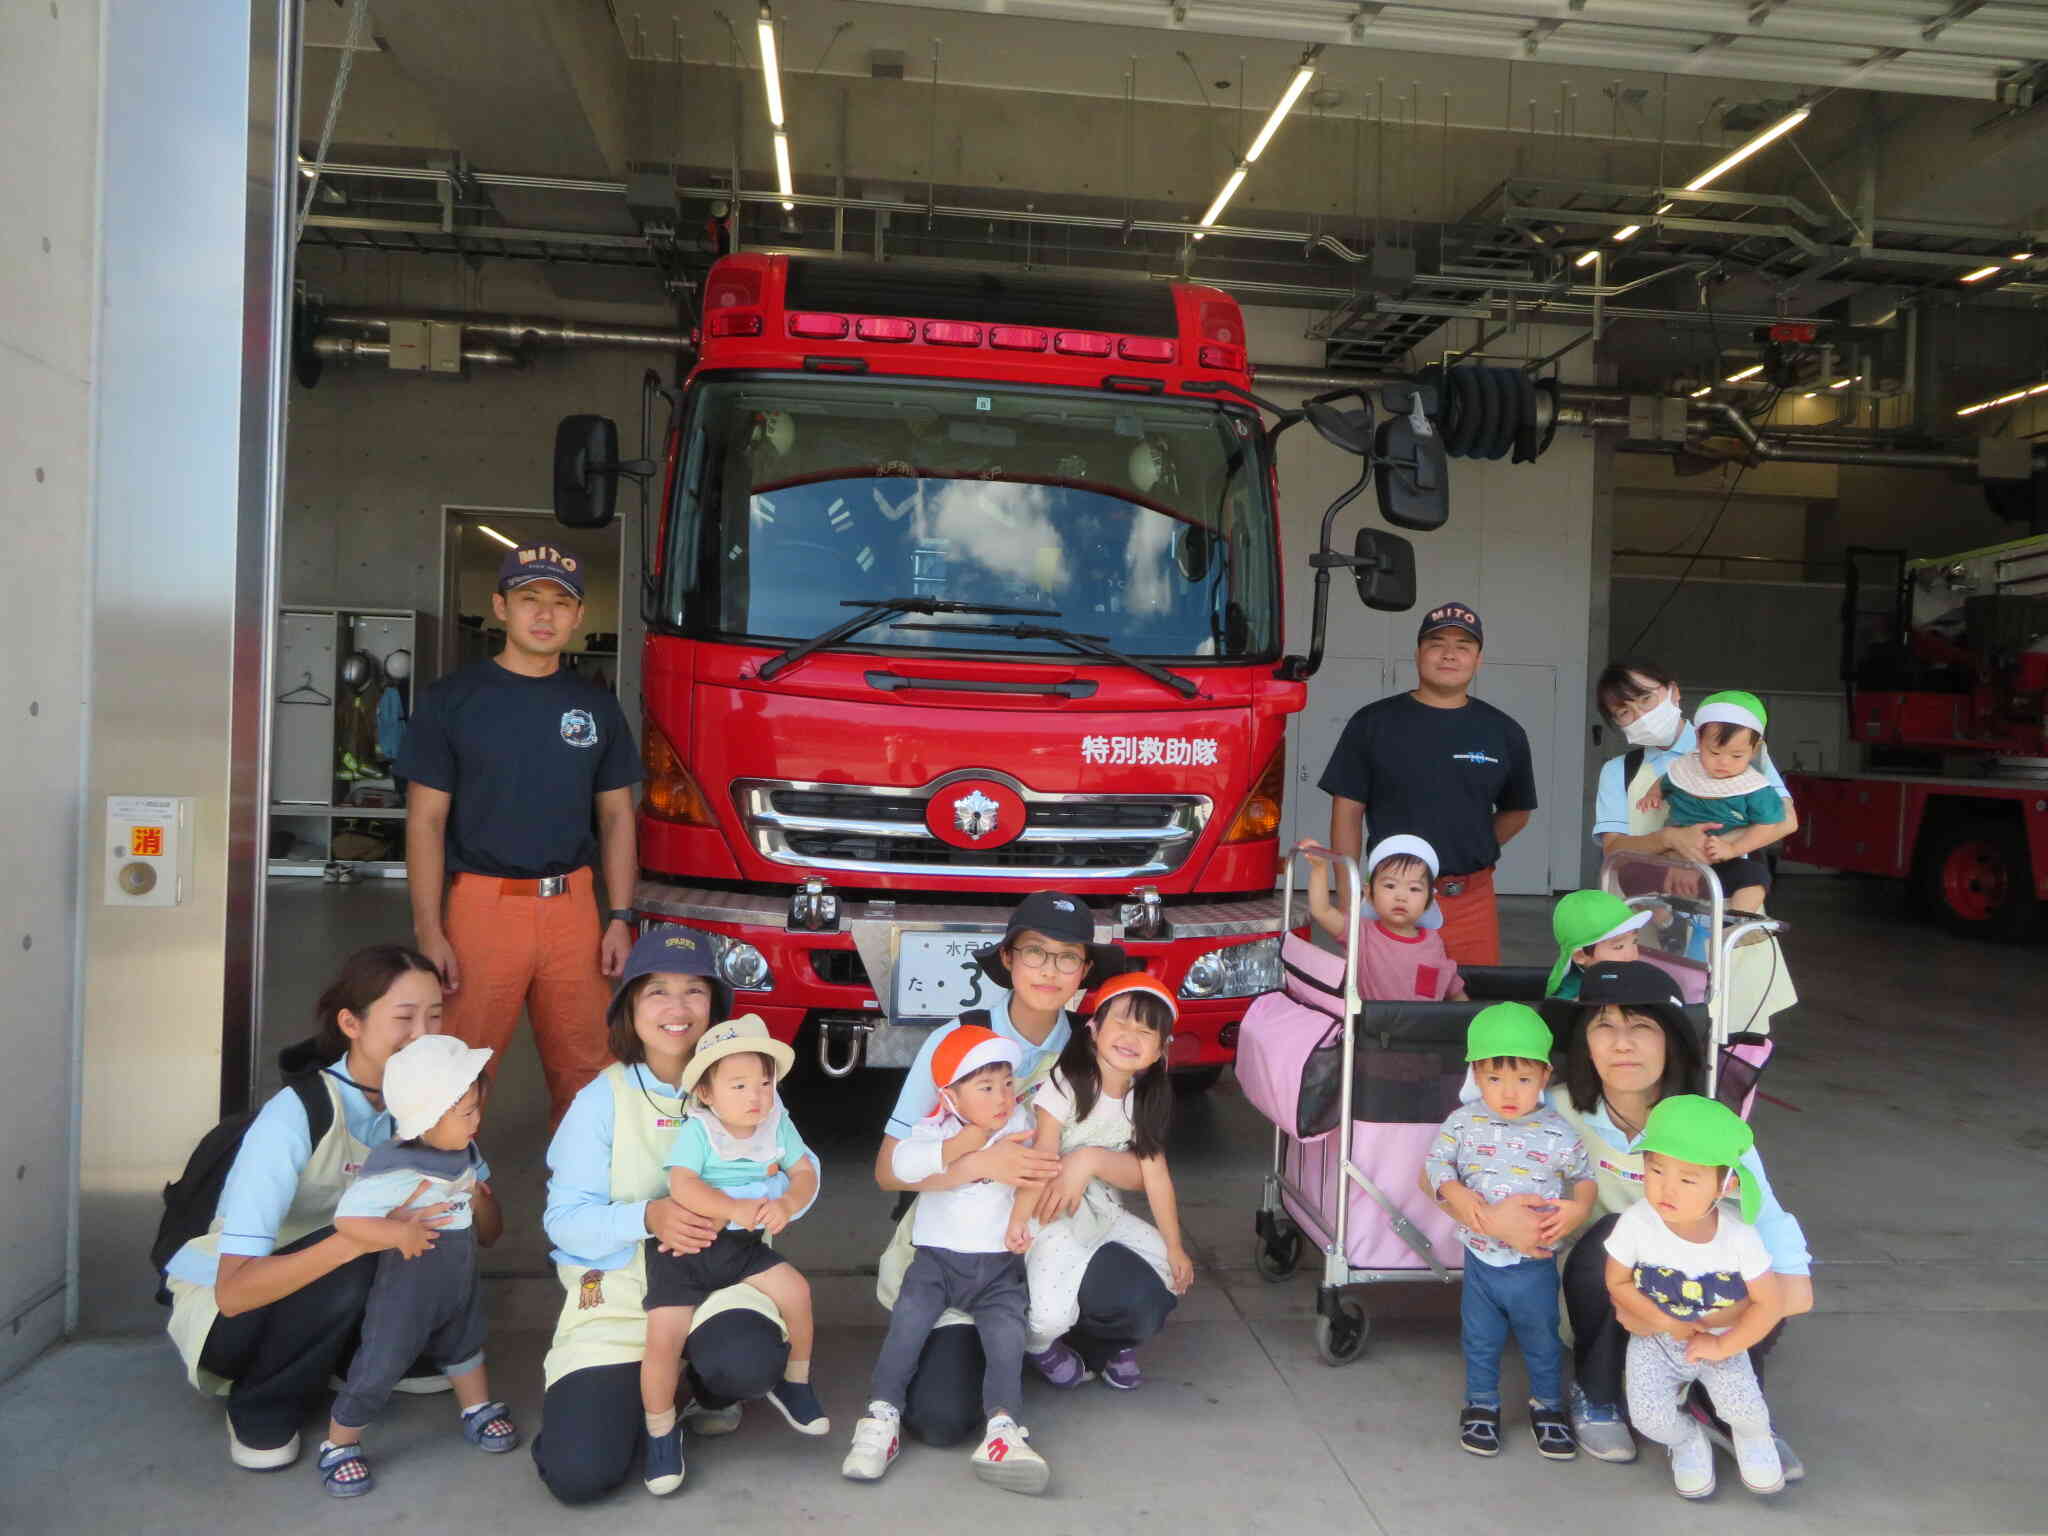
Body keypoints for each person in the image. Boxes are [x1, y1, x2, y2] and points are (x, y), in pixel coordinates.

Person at [1434, 962, 1812, 1477]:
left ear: (1671, 1041)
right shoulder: (1548, 1109)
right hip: (1593, 1292)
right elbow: (1445, 1163)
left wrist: (1776, 1295)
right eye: (1604, 1026)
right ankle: (1597, 1392)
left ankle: (1735, 1414)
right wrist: (1486, 1218)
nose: (1622, 1043)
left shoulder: (1703, 1123)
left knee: (1754, 1271)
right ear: (1584, 1043)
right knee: (1619, 1231)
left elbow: (1765, 1217)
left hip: (1690, 1295)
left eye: (1641, 1026)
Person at [870, 891, 1177, 1445]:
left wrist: (1086, 1160)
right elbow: (889, 1170)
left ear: (1084, 971)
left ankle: (1060, 1338)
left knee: (1141, 1300)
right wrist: (984, 1162)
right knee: (940, 1420)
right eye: (1035, 952)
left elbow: (1144, 1165)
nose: (1050, 970)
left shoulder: (1100, 1040)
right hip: (968, 1247)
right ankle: (1003, 1340)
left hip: (1056, 1226)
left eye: (1067, 957)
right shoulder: (958, 1039)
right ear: (1008, 958)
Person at [532, 927, 809, 1505]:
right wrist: (649, 1216)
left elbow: (805, 1169)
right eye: (657, 990)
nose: (678, 1009)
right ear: (628, 1005)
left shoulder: (750, 1081)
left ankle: (699, 1386)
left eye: (695, 992)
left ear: (716, 1005)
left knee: (749, 1359)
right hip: (623, 1290)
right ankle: (653, 1391)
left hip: (722, 1272)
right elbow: (563, 1220)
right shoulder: (601, 1099)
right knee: (580, 1473)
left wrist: (775, 1199)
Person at [162, 946, 452, 1471]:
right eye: (405, 1018)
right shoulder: (297, 1115)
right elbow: (234, 1292)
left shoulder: (422, 1107)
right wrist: (361, 1240)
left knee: (429, 1233)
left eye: (436, 1016)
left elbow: (482, 1229)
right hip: (235, 1315)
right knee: (358, 1259)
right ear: (351, 1024)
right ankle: (261, 1399)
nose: (425, 1036)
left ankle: (348, 1353)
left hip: (327, 1279)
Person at [398, 541, 641, 1125]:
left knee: (590, 1067)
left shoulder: (595, 707)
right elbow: (425, 822)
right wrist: (430, 928)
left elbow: (616, 817)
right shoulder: (451, 701)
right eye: (529, 598)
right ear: (500, 606)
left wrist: (621, 916)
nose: (544, 613)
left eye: (561, 602)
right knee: (456, 1064)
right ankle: (441, 1196)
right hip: (482, 907)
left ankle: (586, 1196)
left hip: (574, 909)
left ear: (579, 617)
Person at [845, 1027, 1048, 1494]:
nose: (1002, 1097)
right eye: (985, 1087)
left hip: (997, 1270)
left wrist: (1020, 1219)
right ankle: (881, 1416)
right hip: (936, 1265)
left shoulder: (1020, 1126)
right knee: (908, 1325)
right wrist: (973, 1143)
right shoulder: (931, 1130)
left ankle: (1002, 1428)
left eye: (1006, 1083)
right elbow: (904, 1170)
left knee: (1007, 1338)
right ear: (949, 1095)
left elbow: (1033, 1178)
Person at [319, 1035, 515, 1497]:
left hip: (458, 1282)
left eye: (476, 1108)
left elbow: (490, 1230)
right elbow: (347, 1220)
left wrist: (479, 1200)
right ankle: (339, 1443)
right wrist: (398, 1234)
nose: (478, 1119)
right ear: (428, 1116)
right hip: (407, 1294)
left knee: (466, 1345)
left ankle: (476, 1408)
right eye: (467, 1112)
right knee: (381, 1363)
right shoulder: (393, 1166)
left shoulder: (465, 1154)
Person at [640, 1014, 826, 1495]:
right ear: (706, 1093)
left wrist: (786, 1202)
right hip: (685, 1248)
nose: (756, 1097)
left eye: (764, 1083)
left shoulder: (776, 1125)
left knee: (797, 1291)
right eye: (739, 1085)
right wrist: (734, 1207)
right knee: (662, 1340)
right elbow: (681, 1184)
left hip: (740, 1249)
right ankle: (660, 1434)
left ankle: (796, 1379)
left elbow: (804, 1172)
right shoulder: (700, 1131)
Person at [1319, 602, 1537, 965]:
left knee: (1472, 1008)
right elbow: (1347, 813)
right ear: (1418, 653)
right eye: (1437, 643)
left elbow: (1517, 811)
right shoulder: (1373, 723)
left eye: (1463, 646)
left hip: (1470, 901)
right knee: (1389, 1011)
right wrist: (1349, 898)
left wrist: (1468, 845)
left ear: (1478, 659)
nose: (1449, 654)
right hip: (1392, 899)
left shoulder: (1504, 731)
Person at [1424, 1004, 1594, 1461]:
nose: (1509, 1091)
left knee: (1542, 1338)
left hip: (1535, 1264)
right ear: (1476, 1076)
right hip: (1480, 1262)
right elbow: (1436, 1164)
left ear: (1544, 1075)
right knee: (1479, 1338)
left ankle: (1549, 1408)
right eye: (1494, 1078)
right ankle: (1481, 1404)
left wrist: (1579, 1210)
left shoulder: (1559, 1132)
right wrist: (1461, 1199)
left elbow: (1584, 1177)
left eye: (1523, 1078)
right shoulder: (1464, 1123)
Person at [1591, 660, 1799, 1030]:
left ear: (1673, 691)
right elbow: (1614, 848)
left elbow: (1784, 820)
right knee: (1660, 1034)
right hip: (1650, 929)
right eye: (1624, 711)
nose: (1639, 715)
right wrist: (1670, 841)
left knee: (1735, 1042)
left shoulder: (1737, 742)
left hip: (1730, 913)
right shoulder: (1618, 772)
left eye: (1645, 699)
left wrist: (1700, 856)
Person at [1014, 973, 1194, 1389]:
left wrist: (1175, 1245)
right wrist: (1019, 1222)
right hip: (1052, 1210)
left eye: (1148, 1030)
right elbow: (1042, 1154)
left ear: (1161, 1050)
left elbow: (1156, 1176)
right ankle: (1037, 1345)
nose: (1132, 1036)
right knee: (1049, 1315)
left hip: (1104, 1210)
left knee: (1168, 1269)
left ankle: (1114, 1342)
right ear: (1093, 1029)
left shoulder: (1144, 1098)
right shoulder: (1068, 1083)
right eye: (1122, 1022)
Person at [1603, 1095, 1788, 1499]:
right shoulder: (1637, 1224)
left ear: (1726, 1184)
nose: (1667, 1188)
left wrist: (1723, 1344)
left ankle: (1754, 1439)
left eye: (1688, 1179)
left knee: (1744, 1409)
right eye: (1655, 1169)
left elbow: (1770, 1303)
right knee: (1648, 1418)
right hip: (1655, 1341)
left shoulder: (1740, 1238)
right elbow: (1617, 1282)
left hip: (1720, 1341)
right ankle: (1686, 1439)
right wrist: (1663, 1322)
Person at [1643, 692, 1787, 914]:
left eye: (1737, 756)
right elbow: (1667, 779)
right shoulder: (1686, 768)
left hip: (1722, 859)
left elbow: (1768, 825)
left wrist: (1732, 848)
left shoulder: (1755, 788)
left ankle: (1733, 924)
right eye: (1714, 752)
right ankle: (1665, 923)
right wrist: (1654, 794)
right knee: (1640, 876)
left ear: (1755, 749)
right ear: (1699, 740)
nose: (1724, 762)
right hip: (1674, 852)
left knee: (1756, 878)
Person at [1298, 833, 1468, 1001]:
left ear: (1429, 900)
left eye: (1414, 889)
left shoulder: (1434, 942)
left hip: (1421, 1027)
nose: (1401, 896)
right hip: (1369, 1027)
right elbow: (1322, 911)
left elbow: (1453, 990)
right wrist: (1319, 868)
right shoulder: (1360, 932)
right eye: (1390, 885)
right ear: (1369, 893)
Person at [1543, 889, 1653, 1000]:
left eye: (1634, 941)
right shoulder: (1574, 999)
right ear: (1580, 956)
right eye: (1619, 947)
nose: (1633, 956)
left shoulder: (1619, 975)